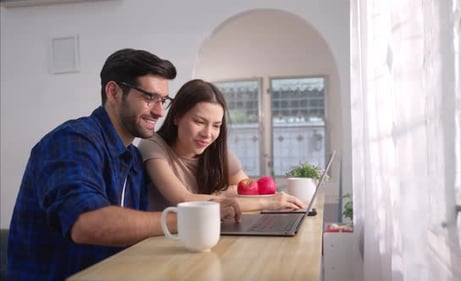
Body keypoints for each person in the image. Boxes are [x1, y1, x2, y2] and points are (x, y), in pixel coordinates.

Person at [7, 49, 240, 281]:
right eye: (149, 98)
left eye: (163, 101)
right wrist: (193, 218)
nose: (159, 112)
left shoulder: (133, 159)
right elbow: (87, 223)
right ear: (113, 92)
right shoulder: (71, 140)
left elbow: (135, 235)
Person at [138, 79, 306, 212]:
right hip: (164, 243)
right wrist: (267, 202)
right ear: (177, 117)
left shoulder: (216, 151)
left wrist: (221, 194)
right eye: (199, 122)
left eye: (216, 125)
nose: (208, 133)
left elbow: (248, 191)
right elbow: (184, 199)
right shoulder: (152, 146)